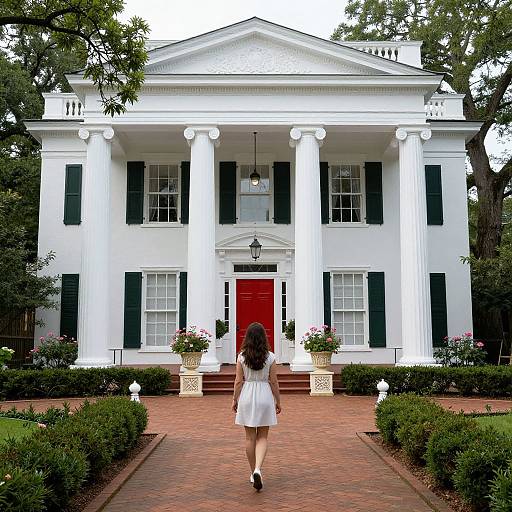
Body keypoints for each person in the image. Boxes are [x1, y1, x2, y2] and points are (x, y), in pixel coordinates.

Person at [232, 322, 281, 491]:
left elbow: (238, 381)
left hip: (247, 394)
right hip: (264, 395)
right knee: (262, 437)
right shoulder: (271, 357)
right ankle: (259, 468)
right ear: (263, 338)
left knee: (249, 438)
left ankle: (253, 472)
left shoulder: (241, 357)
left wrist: (235, 399)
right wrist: (278, 401)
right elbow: (273, 381)